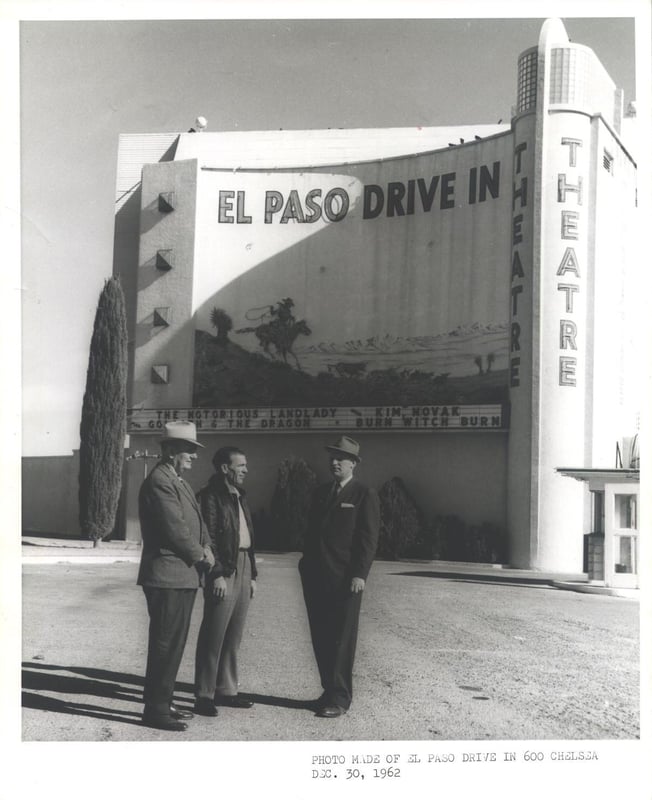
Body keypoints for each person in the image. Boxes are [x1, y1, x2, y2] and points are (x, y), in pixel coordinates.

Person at [137, 420, 215, 732]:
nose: (194, 456)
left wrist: (207, 544)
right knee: (165, 644)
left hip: (180, 576)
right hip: (167, 574)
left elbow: (195, 521)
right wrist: (200, 555)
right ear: (170, 452)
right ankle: (155, 709)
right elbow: (174, 528)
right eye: (188, 450)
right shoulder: (160, 481)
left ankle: (164, 700)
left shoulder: (176, 480)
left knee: (173, 644)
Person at [299, 435, 380, 718]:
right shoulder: (322, 492)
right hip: (316, 577)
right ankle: (327, 690)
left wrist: (360, 574)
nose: (334, 462)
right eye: (332, 457)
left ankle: (341, 698)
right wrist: (304, 565)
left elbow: (368, 540)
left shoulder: (363, 494)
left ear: (354, 464)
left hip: (346, 580)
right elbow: (311, 533)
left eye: (341, 458)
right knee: (321, 635)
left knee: (341, 639)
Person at [194, 446, 258, 716]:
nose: (245, 470)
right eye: (240, 465)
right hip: (224, 569)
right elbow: (208, 537)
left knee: (234, 633)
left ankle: (227, 690)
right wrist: (216, 573)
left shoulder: (240, 496)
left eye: (245, 465)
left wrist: (252, 574)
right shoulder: (210, 496)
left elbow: (248, 536)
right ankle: (204, 694)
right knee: (214, 633)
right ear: (224, 468)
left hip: (242, 565)